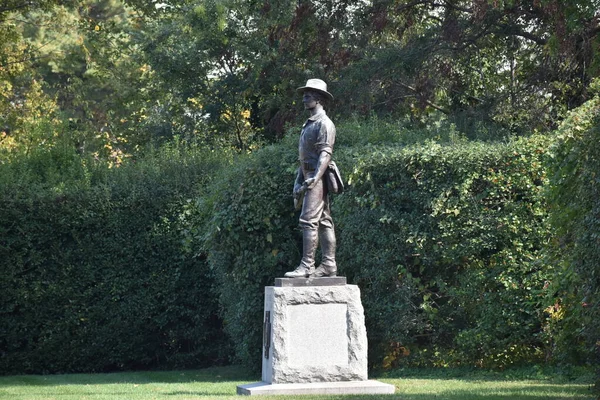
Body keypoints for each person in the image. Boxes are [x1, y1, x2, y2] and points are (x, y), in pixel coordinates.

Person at [284, 79, 338, 278]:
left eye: (308, 95)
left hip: (317, 178)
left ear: (319, 98)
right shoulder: (309, 124)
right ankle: (329, 265)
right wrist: (299, 179)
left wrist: (315, 179)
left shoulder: (325, 124)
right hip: (309, 176)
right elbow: (305, 157)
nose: (304, 99)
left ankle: (307, 265)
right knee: (324, 222)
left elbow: (325, 154)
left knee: (308, 221)